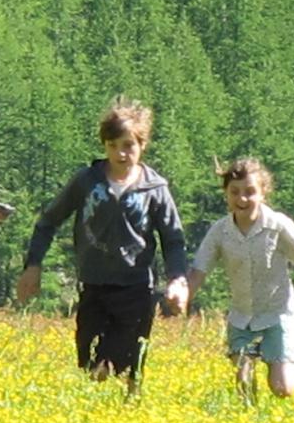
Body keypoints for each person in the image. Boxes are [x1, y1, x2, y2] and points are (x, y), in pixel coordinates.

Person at [16, 96, 189, 395]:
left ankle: (131, 413)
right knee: (89, 363)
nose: (121, 154)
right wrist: (33, 266)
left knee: (127, 362)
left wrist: (177, 279)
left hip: (136, 288)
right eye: (113, 146)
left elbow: (173, 238)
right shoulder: (87, 182)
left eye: (128, 145)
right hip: (93, 286)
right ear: (104, 146)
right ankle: (98, 419)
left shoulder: (155, 189)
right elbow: (48, 222)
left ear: (142, 145)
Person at [185, 158, 294, 400]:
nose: (242, 199)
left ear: (263, 193)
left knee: (283, 388)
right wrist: (183, 296)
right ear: (226, 195)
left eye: (250, 192)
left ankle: (283, 362)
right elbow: (200, 269)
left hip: (277, 315)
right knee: (244, 382)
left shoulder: (278, 225)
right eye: (235, 192)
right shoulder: (219, 232)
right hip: (242, 318)